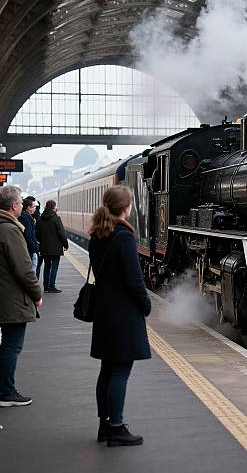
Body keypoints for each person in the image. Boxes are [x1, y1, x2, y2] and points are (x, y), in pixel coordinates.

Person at [89, 185, 151, 447]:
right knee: (120, 372)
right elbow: (134, 280)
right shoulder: (123, 237)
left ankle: (105, 425)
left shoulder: (98, 234)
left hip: (105, 312)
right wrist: (146, 304)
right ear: (126, 207)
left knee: (107, 369)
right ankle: (116, 427)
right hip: (123, 314)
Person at [0, 186, 43, 407]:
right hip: (11, 299)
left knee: (7, 345)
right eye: (19, 202)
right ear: (14, 206)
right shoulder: (10, 230)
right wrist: (37, 294)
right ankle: (6, 392)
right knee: (11, 346)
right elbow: (24, 269)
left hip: (4, 295)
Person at [36, 200, 68, 293]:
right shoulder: (56, 218)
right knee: (54, 266)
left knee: (47, 266)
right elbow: (62, 233)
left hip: (44, 247)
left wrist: (41, 241)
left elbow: (37, 234)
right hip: (55, 248)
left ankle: (46, 287)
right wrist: (65, 244)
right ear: (54, 207)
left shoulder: (41, 218)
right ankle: (52, 286)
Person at [18, 198, 39, 272]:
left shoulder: (26, 216)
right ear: (28, 208)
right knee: (31, 271)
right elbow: (28, 236)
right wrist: (35, 248)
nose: (35, 208)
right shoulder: (26, 218)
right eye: (33, 207)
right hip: (29, 250)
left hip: (29, 249)